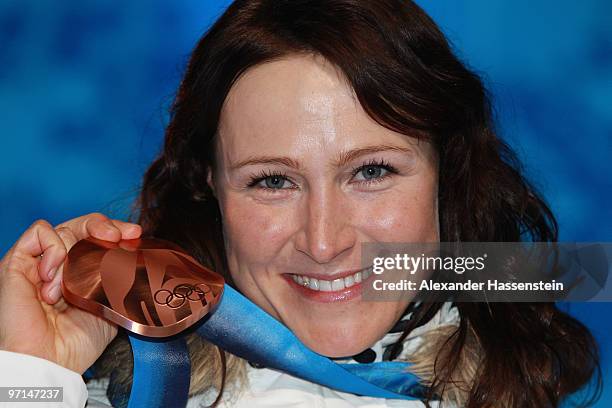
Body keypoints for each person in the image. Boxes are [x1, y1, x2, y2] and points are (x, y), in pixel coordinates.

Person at [0, 0, 601, 407]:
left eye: (371, 171)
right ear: (208, 183)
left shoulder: (531, 371)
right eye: (272, 182)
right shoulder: (106, 388)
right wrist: (33, 372)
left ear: (446, 173)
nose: (323, 241)